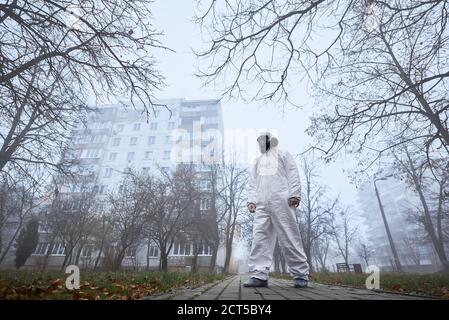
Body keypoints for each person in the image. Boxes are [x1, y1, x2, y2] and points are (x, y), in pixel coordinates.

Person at [244, 132, 309, 288]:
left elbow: (293, 173)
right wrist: (251, 201)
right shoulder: (257, 162)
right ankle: (258, 275)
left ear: (270, 141)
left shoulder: (283, 155)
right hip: (261, 204)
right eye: (258, 142)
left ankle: (300, 274)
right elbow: (253, 183)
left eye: (262, 141)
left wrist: (294, 194)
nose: (260, 144)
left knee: (289, 235)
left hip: (281, 201)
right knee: (259, 238)